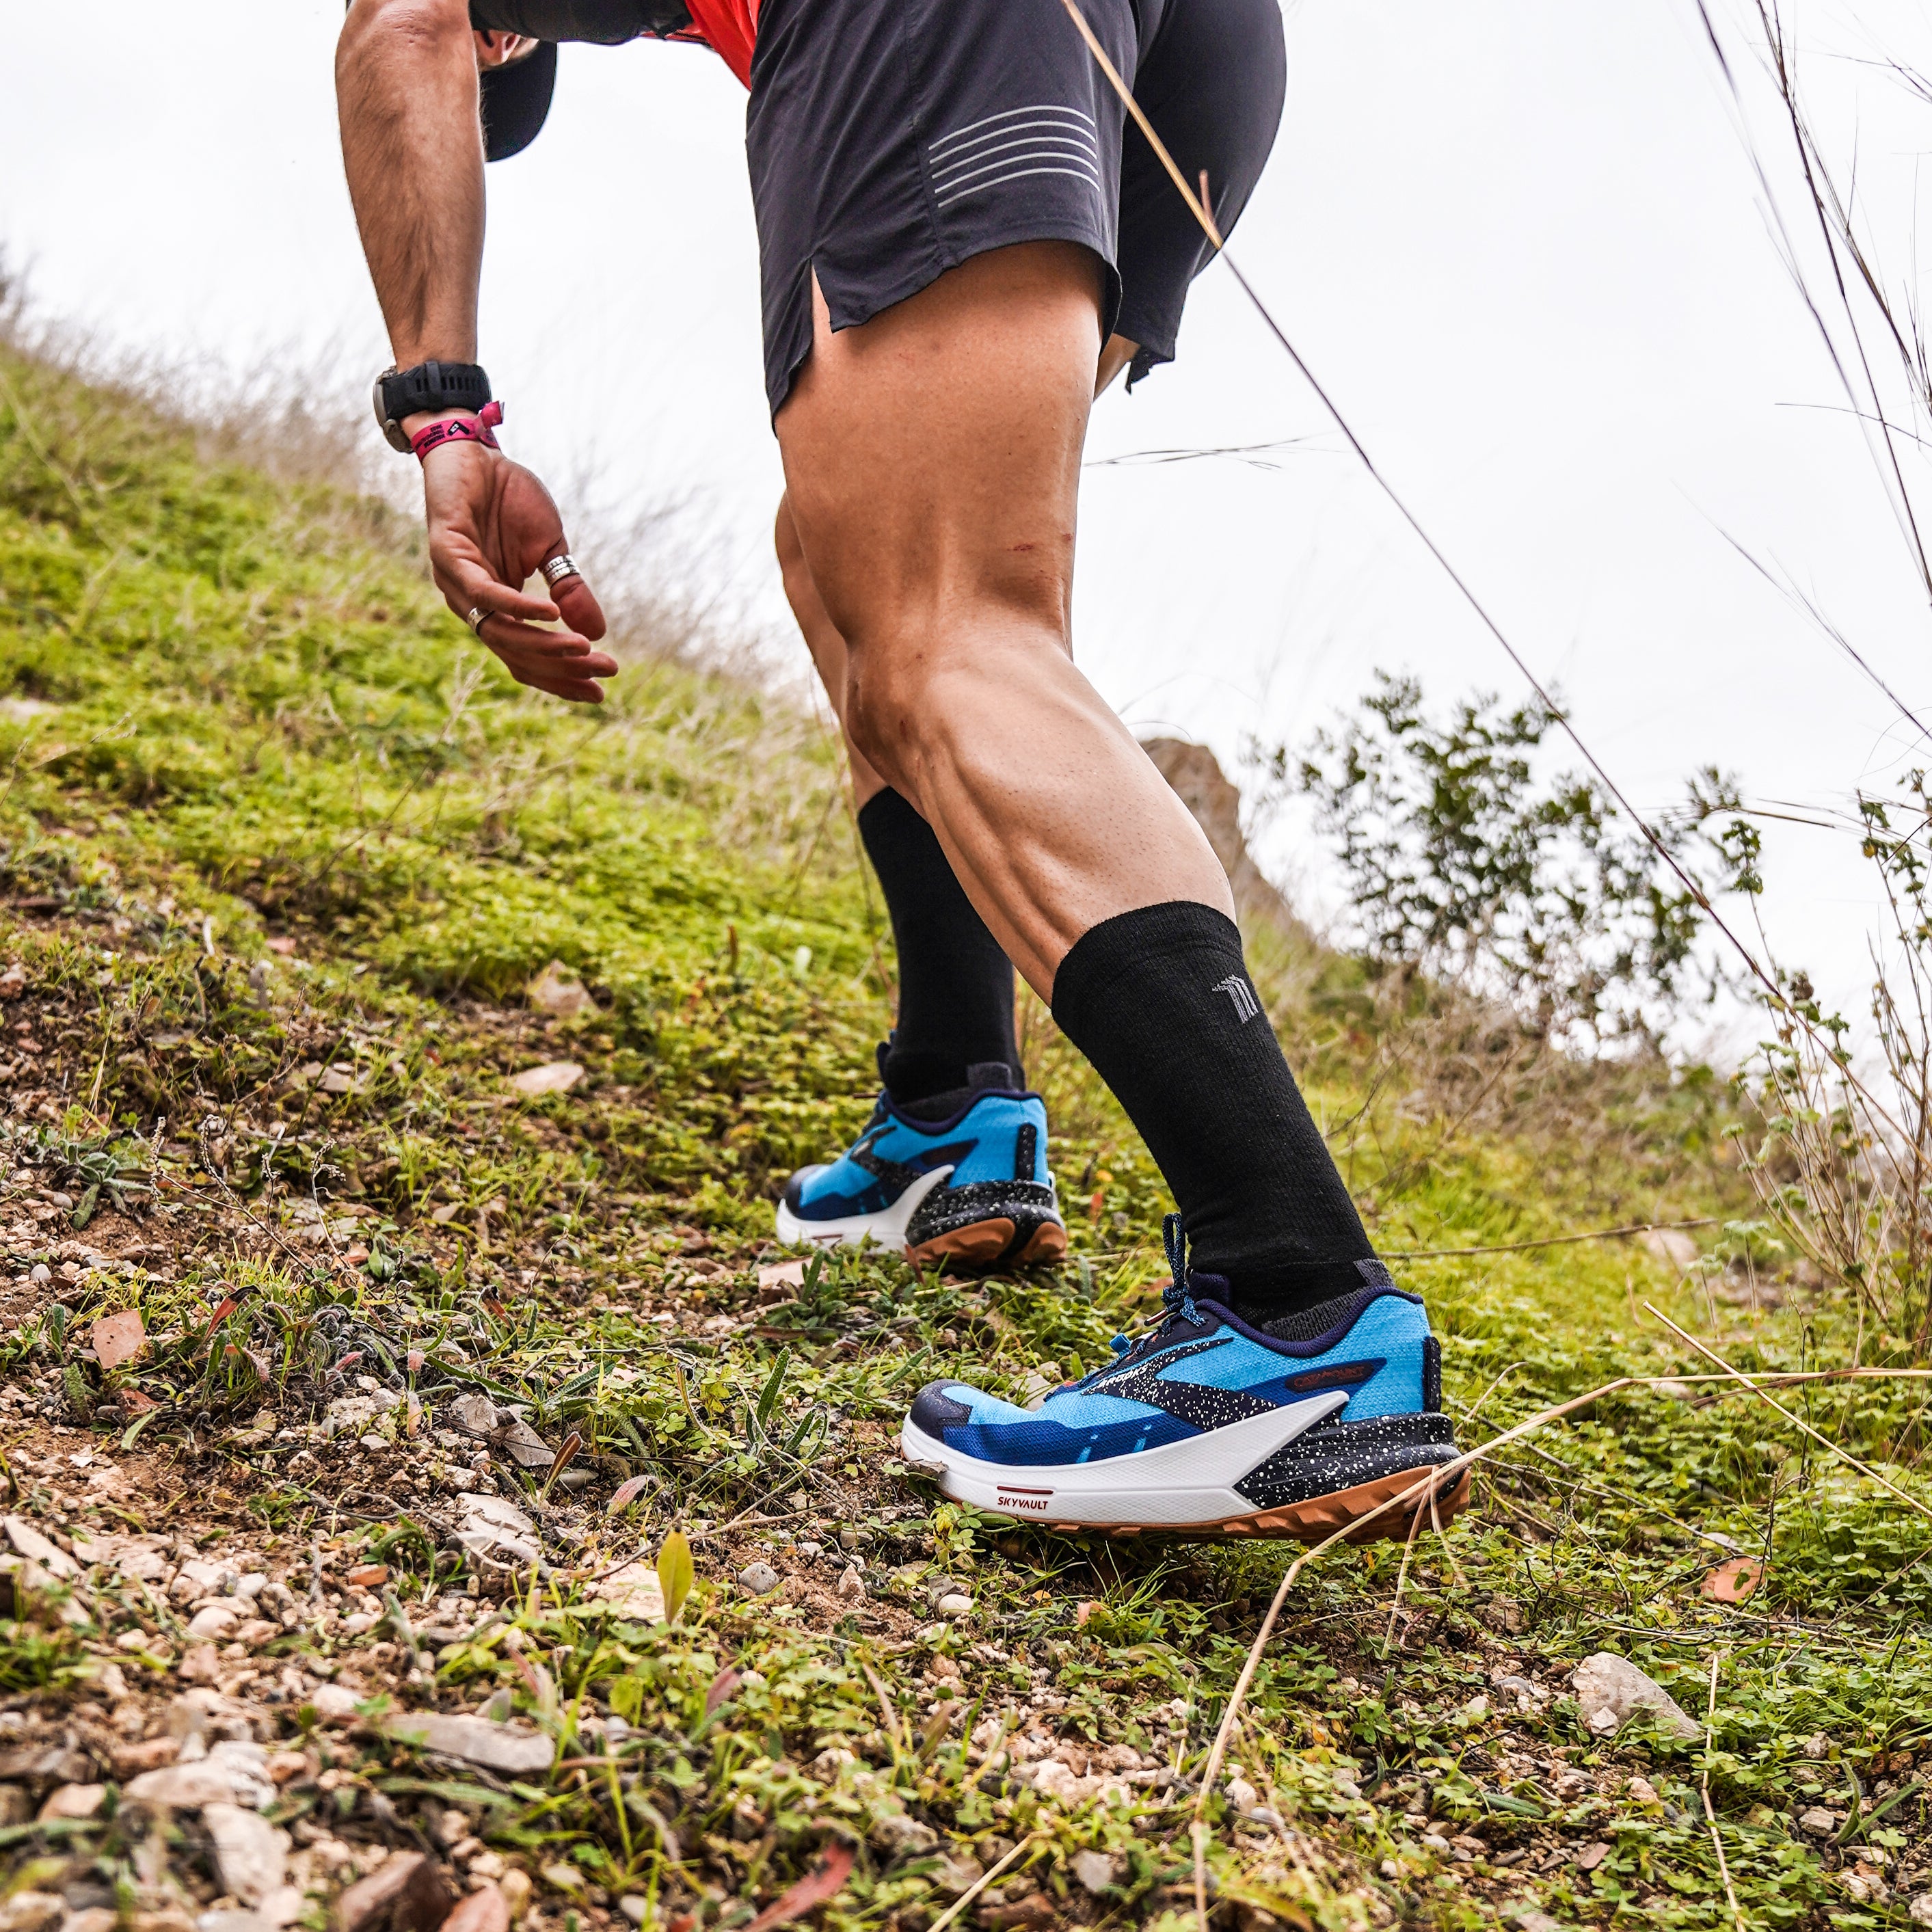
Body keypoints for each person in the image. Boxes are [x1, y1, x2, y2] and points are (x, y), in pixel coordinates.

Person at [334, 0, 1466, 1540]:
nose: (517, 49)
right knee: (849, 560)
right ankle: (954, 1114)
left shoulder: (476, 30)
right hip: (1181, 48)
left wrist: (444, 411)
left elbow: (404, 20)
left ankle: (1297, 1312)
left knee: (952, 638)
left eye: (511, 53)